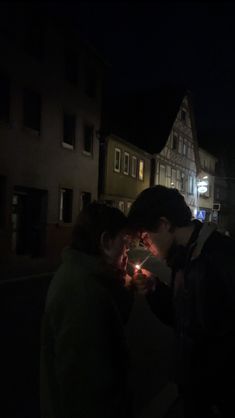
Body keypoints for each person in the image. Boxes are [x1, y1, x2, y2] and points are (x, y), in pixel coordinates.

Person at [127, 185, 235, 418]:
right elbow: (182, 319)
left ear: (165, 224)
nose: (146, 246)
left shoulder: (220, 257)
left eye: (146, 237)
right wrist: (154, 290)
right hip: (197, 393)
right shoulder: (185, 257)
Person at [40, 202, 133, 418]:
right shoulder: (81, 291)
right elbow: (86, 386)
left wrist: (125, 288)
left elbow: (112, 326)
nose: (127, 251)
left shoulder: (87, 278)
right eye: (125, 242)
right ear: (106, 241)